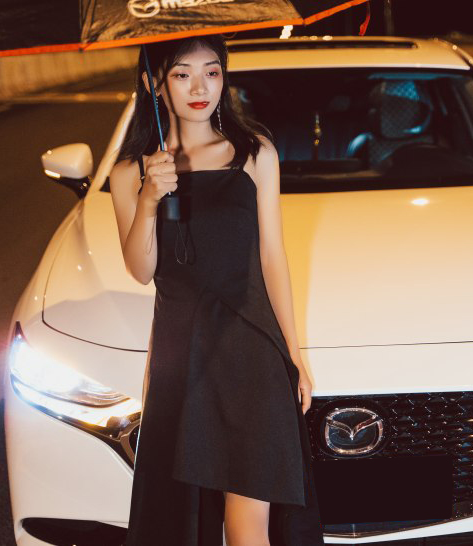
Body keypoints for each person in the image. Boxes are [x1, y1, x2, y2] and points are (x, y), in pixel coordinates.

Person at [109, 35, 325, 545]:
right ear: (154, 84)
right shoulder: (131, 173)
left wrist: (294, 355)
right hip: (182, 358)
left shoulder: (254, 153)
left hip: (251, 348)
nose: (200, 87)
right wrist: (148, 200)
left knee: (249, 525)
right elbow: (141, 270)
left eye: (212, 71)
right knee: (181, 521)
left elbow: (272, 257)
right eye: (182, 74)